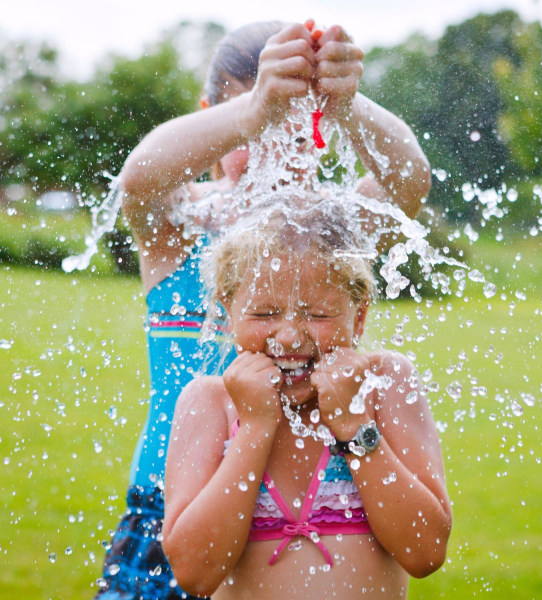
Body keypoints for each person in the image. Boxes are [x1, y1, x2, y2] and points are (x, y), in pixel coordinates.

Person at [95, 18, 431, 599]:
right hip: (173, 504)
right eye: (256, 129)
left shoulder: (334, 234)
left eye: (295, 131)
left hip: (313, 498)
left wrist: (348, 105)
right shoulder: (185, 228)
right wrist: (257, 108)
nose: (275, 149)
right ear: (213, 120)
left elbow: (408, 181)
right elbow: (141, 179)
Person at [162, 199, 452, 599]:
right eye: (264, 314)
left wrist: (353, 426)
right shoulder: (210, 403)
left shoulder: (383, 385)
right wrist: (255, 428)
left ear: (360, 316)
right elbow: (195, 572)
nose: (289, 336)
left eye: (317, 314)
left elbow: (425, 551)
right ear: (228, 313)